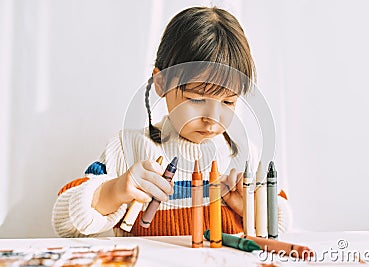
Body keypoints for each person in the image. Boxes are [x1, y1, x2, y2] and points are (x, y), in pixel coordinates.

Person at [52, 6, 291, 237]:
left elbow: (282, 222)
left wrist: (251, 207)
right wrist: (115, 191)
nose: (212, 120)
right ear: (162, 83)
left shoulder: (245, 154)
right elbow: (64, 224)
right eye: (197, 100)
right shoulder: (128, 148)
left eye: (228, 102)